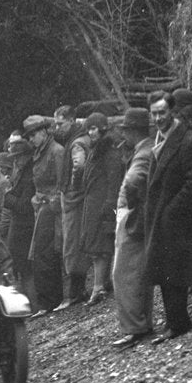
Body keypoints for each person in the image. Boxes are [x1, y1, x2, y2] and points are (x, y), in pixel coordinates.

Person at [144, 91, 192, 344]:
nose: (158, 118)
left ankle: (179, 323)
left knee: (175, 270)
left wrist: (173, 210)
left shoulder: (187, 141)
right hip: (161, 215)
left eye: (162, 112)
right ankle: (174, 321)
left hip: (177, 218)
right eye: (154, 113)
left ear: (173, 112)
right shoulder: (159, 140)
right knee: (164, 269)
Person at [110, 108, 156, 349]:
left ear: (132, 131)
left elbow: (134, 181)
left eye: (126, 131)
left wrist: (129, 205)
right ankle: (141, 323)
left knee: (124, 273)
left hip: (131, 215)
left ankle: (135, 328)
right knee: (134, 272)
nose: (123, 136)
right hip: (134, 214)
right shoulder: (144, 150)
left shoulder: (143, 152)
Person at [78, 112, 124, 307]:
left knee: (102, 247)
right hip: (93, 205)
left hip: (103, 206)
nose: (91, 132)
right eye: (88, 129)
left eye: (94, 128)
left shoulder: (110, 152)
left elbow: (114, 182)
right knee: (97, 247)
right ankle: (102, 284)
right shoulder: (95, 150)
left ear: (103, 128)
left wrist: (109, 206)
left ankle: (99, 287)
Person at [23, 115, 64, 316]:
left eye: (34, 134)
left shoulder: (56, 151)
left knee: (46, 253)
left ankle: (50, 301)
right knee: (40, 254)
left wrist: (50, 202)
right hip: (40, 207)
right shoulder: (39, 153)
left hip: (52, 208)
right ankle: (47, 301)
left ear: (44, 131)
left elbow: (62, 184)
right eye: (29, 136)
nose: (31, 139)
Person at [52, 105, 91, 310]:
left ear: (72, 120)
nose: (57, 128)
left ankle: (75, 293)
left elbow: (80, 165)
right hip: (73, 198)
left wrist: (74, 188)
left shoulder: (76, 142)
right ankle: (78, 290)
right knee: (72, 243)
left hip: (74, 199)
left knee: (73, 244)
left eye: (60, 123)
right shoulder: (75, 139)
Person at [3, 140, 36, 299]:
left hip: (25, 228)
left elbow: (23, 205)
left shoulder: (29, 175)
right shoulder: (22, 172)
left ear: (26, 156)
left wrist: (8, 197)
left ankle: (31, 305)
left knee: (26, 271)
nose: (15, 161)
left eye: (18, 157)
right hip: (20, 228)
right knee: (21, 271)